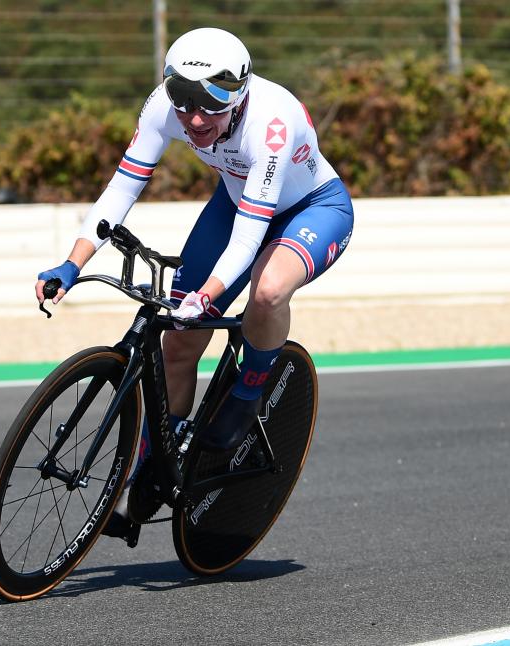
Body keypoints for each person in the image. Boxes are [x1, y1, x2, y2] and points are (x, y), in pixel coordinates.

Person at [36, 27, 353, 462]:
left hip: (311, 209)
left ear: (239, 94)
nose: (196, 118)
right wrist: (71, 264)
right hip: (235, 201)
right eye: (183, 100)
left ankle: (250, 389)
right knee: (179, 343)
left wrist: (207, 295)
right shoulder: (163, 108)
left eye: (213, 104)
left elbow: (249, 236)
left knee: (268, 290)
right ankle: (154, 463)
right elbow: (122, 189)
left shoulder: (271, 123)